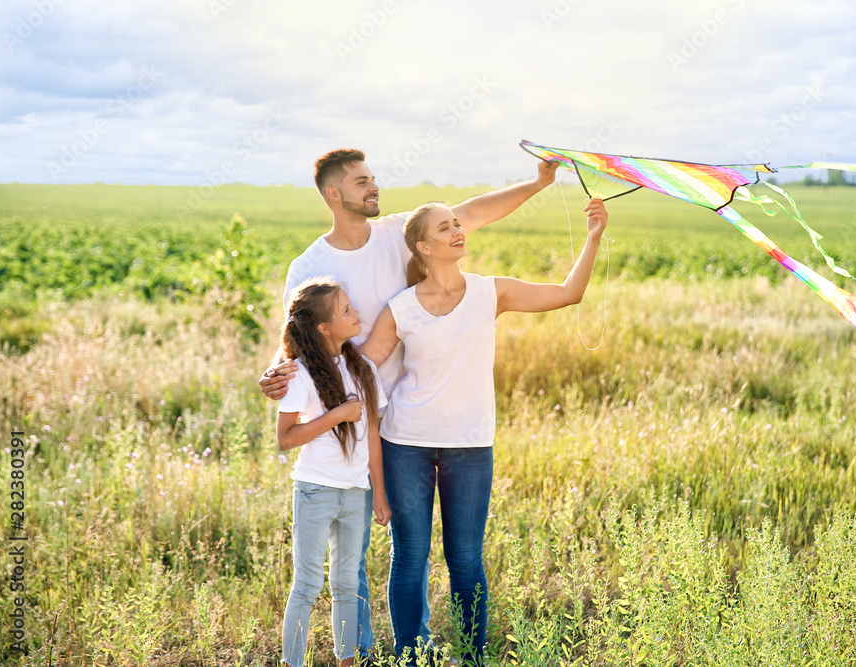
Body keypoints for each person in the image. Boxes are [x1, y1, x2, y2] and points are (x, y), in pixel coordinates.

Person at [260, 148, 559, 657]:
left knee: (413, 552)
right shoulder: (310, 265)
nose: (373, 187)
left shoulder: (396, 233)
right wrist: (274, 371)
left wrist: (538, 183)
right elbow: (296, 334)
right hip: (349, 419)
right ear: (334, 194)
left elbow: (476, 210)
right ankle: (361, 652)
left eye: (372, 178)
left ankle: (414, 650)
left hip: (407, 416)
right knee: (354, 557)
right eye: (361, 182)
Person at [361, 197, 609, 665]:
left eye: (458, 223)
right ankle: (410, 658)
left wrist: (593, 238)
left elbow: (566, 293)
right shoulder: (400, 308)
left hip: (470, 448)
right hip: (405, 444)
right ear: (422, 246)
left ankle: (471, 658)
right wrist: (298, 363)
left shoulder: (491, 292)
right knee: (410, 556)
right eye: (445, 228)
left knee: (466, 561)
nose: (458, 231)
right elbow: (361, 366)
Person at [277, 278, 390, 667]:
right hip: (315, 490)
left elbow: (372, 434)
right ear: (323, 327)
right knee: (307, 586)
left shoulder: (364, 368)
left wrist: (378, 492)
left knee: (348, 586)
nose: (356, 313)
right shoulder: (299, 373)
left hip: (356, 493)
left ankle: (347, 661)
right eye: (346, 310)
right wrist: (337, 415)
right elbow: (286, 438)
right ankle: (292, 662)